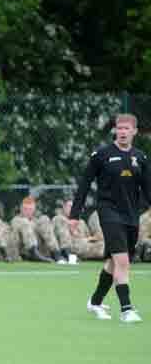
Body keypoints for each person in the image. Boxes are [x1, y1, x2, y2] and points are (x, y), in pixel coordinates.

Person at [70, 113, 150, 323]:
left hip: (132, 216)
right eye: (119, 128)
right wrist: (74, 215)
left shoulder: (140, 157)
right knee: (122, 260)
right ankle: (127, 309)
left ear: (134, 131)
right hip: (108, 212)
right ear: (115, 130)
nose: (122, 132)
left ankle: (95, 302)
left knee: (114, 262)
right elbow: (84, 185)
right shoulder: (101, 155)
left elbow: (148, 189)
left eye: (126, 128)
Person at [10, 197, 56, 262]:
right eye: (25, 209)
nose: (28, 211)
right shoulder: (16, 220)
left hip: (40, 250)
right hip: (23, 252)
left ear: (34, 210)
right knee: (24, 222)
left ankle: (56, 253)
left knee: (44, 219)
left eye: (30, 209)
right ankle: (34, 255)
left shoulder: (36, 221)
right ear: (21, 209)